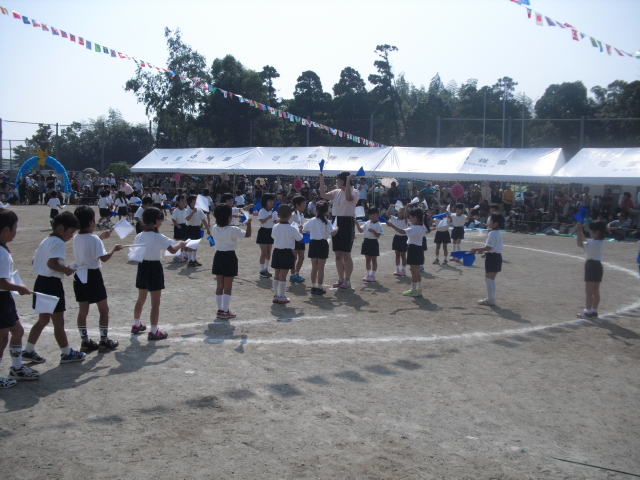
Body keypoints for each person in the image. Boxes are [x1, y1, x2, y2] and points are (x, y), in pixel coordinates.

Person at [23, 212, 86, 364]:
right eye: (71, 232)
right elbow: (52, 264)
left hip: (41, 282)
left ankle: (28, 350)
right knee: (59, 322)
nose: (71, 236)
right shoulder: (59, 242)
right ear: (61, 228)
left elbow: (35, 261)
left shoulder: (46, 240)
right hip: (52, 284)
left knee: (43, 320)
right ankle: (66, 353)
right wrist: (66, 270)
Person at [72, 206, 123, 353]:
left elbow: (88, 247)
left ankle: (85, 341)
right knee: (104, 309)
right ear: (91, 222)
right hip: (92, 276)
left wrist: (100, 237)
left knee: (83, 311)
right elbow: (104, 258)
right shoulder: (94, 239)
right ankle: (104, 340)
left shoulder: (76, 237)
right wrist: (114, 248)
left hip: (79, 275)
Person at [131, 207, 187, 340]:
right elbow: (173, 250)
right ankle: (154, 330)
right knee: (155, 302)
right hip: (154, 268)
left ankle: (136, 324)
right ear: (156, 221)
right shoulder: (158, 236)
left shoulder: (139, 235)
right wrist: (181, 243)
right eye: (161, 221)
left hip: (142, 267)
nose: (161, 223)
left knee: (141, 299)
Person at [0, 209, 40, 387]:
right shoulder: (2, 254)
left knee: (17, 331)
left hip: (4, 299)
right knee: (2, 337)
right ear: (6, 230)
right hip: (2, 299)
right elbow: (1, 282)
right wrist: (19, 288)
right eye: (15, 227)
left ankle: (17, 368)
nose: (16, 230)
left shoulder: (3, 250)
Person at [318, 171, 359, 290]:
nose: (337, 182)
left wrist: (348, 181)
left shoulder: (354, 191)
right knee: (338, 253)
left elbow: (349, 198)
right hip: (336, 221)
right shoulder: (337, 192)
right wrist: (321, 179)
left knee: (346, 253)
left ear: (343, 180)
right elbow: (323, 194)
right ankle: (341, 278)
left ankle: (347, 279)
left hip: (347, 222)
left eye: (338, 180)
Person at [211, 204, 252, 319]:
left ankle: (220, 310)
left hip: (218, 256)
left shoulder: (214, 228)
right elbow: (248, 235)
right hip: (229, 257)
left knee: (220, 285)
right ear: (229, 217)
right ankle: (225, 311)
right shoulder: (233, 229)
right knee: (228, 286)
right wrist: (249, 223)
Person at [387, 208, 428, 297]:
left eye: (411, 217)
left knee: (414, 271)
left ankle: (413, 290)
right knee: (417, 271)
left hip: (414, 249)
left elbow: (403, 231)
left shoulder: (415, 227)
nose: (409, 219)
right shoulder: (422, 227)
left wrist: (392, 225)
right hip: (419, 249)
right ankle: (419, 289)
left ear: (415, 218)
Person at [469, 213, 505, 306]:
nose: (488, 222)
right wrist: (483, 251)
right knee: (492, 279)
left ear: (496, 223)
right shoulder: (498, 232)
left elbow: (489, 247)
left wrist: (475, 249)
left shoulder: (492, 233)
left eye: (490, 220)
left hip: (492, 257)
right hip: (497, 256)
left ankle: (490, 299)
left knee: (488, 278)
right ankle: (491, 298)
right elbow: (492, 247)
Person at [303, 201, 338, 295]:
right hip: (322, 244)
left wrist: (313, 230)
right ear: (326, 211)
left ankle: (313, 286)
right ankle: (319, 287)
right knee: (321, 268)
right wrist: (337, 228)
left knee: (314, 267)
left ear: (316, 209)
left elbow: (305, 229)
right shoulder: (326, 222)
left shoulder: (312, 220)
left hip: (313, 243)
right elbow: (333, 233)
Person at [270, 204, 303, 304]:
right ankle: (282, 296)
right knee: (283, 275)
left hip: (277, 251)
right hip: (287, 252)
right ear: (290, 215)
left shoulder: (275, 226)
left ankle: (276, 295)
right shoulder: (292, 228)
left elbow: (273, 236)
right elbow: (300, 239)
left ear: (278, 215)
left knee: (277, 274)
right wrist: (300, 230)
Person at [575, 221, 607, 319]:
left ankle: (588, 311)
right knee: (595, 290)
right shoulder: (598, 242)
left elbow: (580, 243)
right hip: (598, 266)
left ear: (597, 232)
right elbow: (585, 242)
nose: (590, 232)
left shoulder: (594, 244)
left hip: (591, 266)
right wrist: (580, 231)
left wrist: (578, 231)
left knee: (588, 291)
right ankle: (594, 310)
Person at [356, 207, 384, 282]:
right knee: (367, 259)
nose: (372, 216)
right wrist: (357, 224)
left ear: (378, 215)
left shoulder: (379, 225)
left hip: (373, 242)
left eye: (374, 214)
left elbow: (378, 235)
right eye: (371, 214)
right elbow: (361, 230)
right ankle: (368, 274)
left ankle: (373, 275)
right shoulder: (367, 223)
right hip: (366, 242)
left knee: (374, 259)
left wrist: (373, 231)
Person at [185, 195, 210, 267]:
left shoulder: (199, 210)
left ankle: (194, 259)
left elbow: (203, 220)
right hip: (190, 228)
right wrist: (193, 212)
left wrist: (208, 229)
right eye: (195, 200)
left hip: (197, 228)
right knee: (190, 245)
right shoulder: (188, 210)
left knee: (195, 245)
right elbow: (187, 219)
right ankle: (189, 260)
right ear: (190, 202)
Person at [257, 193, 278, 279]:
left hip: (270, 231)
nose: (271, 202)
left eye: (272, 200)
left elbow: (276, 221)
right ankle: (262, 270)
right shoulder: (262, 211)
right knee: (264, 252)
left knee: (269, 252)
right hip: (263, 232)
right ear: (265, 201)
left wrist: (283, 218)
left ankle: (266, 269)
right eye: (269, 200)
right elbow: (262, 221)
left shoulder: (273, 211)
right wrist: (268, 217)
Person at [290, 195, 307, 284]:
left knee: (302, 257)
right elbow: (290, 226)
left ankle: (297, 273)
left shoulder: (301, 214)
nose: (305, 205)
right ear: (297, 205)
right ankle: (293, 275)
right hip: (294, 238)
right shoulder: (293, 215)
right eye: (303, 204)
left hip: (301, 238)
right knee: (294, 257)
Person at [388, 204, 409, 276]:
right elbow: (387, 214)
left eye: (402, 211)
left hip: (404, 238)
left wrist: (406, 207)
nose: (400, 212)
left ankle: (403, 270)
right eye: (400, 210)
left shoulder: (406, 220)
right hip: (396, 237)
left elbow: (405, 216)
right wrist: (391, 207)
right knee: (397, 254)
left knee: (403, 255)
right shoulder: (395, 219)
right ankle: (397, 269)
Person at [170, 194, 188, 263]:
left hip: (185, 226)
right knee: (178, 242)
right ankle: (177, 256)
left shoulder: (186, 210)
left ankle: (185, 255)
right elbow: (173, 219)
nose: (184, 202)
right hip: (179, 227)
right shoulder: (176, 210)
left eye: (185, 201)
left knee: (185, 241)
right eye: (182, 201)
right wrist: (177, 225)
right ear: (178, 202)